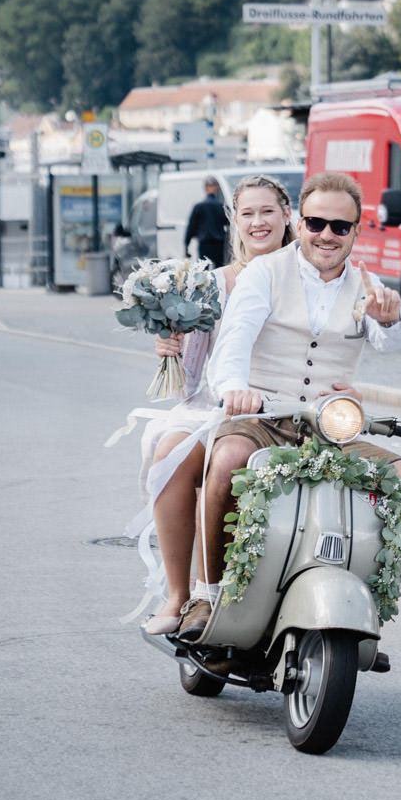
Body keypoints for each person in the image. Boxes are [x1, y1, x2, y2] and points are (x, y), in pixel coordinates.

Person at [185, 171, 401, 640]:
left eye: (339, 227)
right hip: (262, 417)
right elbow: (235, 340)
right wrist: (233, 388)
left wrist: (390, 319)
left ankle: (361, 601)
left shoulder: (366, 284)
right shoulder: (265, 272)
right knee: (225, 462)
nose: (327, 234)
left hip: (332, 430)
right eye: (316, 223)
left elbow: (397, 336)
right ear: (299, 223)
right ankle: (206, 594)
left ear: (355, 232)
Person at [131, 175, 298, 635]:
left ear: (288, 215)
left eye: (268, 211)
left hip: (288, 409)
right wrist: (172, 345)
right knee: (172, 453)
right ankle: (181, 595)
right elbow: (193, 381)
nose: (258, 222)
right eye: (247, 213)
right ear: (234, 222)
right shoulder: (216, 286)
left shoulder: (307, 273)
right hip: (220, 405)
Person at [183, 176, 228, 268]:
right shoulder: (222, 206)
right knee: (220, 271)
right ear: (217, 188)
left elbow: (191, 228)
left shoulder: (199, 207)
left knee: (203, 272)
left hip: (205, 244)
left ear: (205, 188)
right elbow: (230, 224)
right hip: (219, 244)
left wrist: (186, 246)